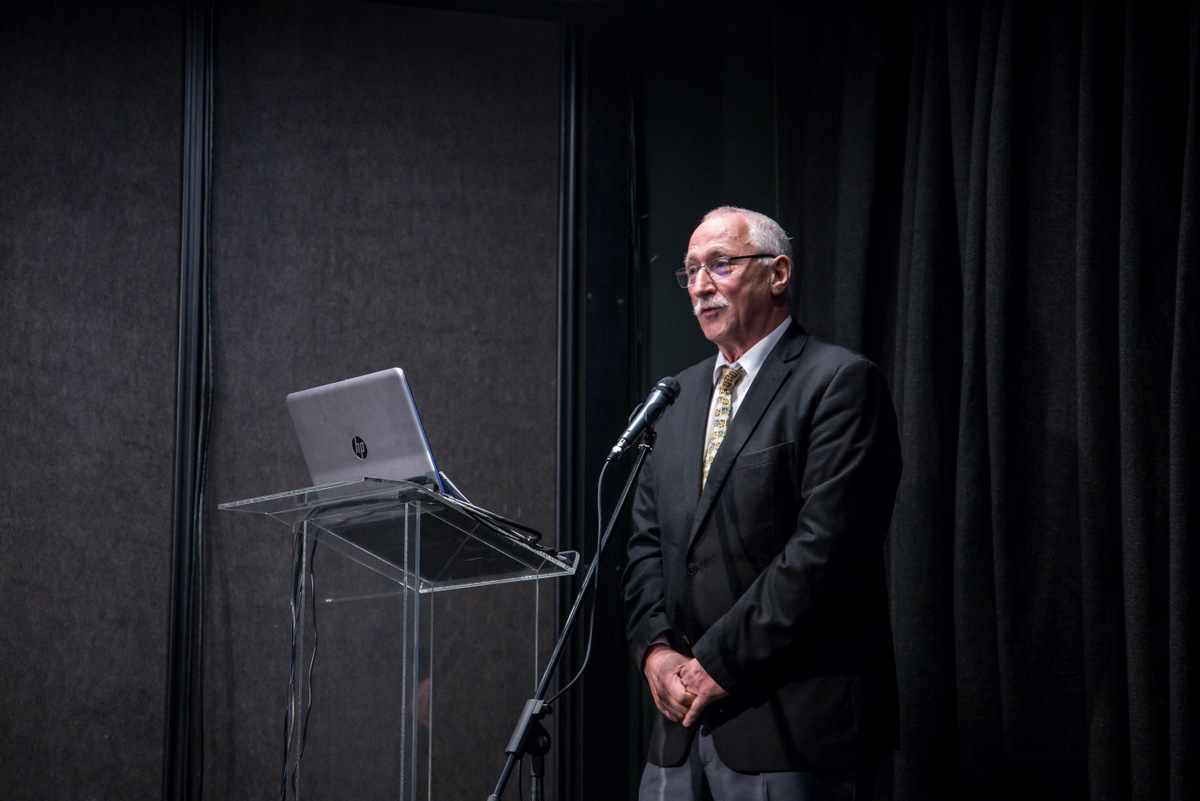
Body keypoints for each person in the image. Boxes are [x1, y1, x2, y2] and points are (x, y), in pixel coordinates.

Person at [624, 207, 902, 800]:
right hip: (678, 735)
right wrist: (655, 651)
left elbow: (824, 554)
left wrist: (717, 663)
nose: (700, 285)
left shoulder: (837, 382)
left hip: (792, 730)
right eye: (690, 271)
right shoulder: (675, 398)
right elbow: (646, 545)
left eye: (720, 265)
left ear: (777, 274)